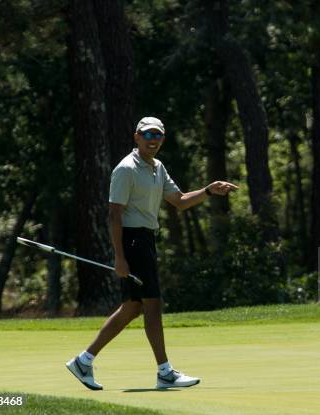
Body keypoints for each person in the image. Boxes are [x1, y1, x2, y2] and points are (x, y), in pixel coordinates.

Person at [66, 116, 238, 390]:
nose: (152, 139)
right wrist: (119, 256)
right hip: (133, 242)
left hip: (146, 241)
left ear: (162, 138)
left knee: (132, 308)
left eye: (157, 135)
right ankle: (165, 371)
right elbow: (114, 215)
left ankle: (83, 361)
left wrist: (208, 191)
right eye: (147, 135)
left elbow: (179, 201)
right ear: (136, 137)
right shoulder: (126, 168)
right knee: (152, 305)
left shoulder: (158, 168)